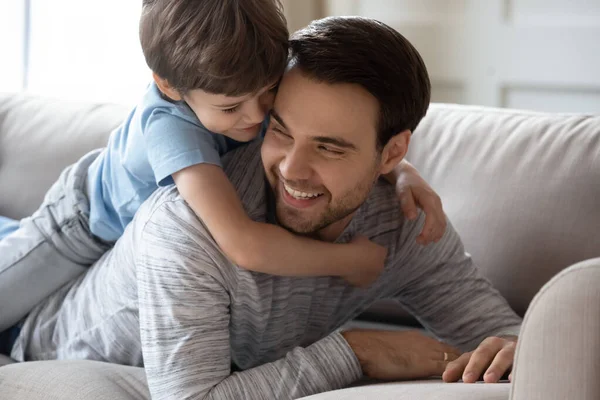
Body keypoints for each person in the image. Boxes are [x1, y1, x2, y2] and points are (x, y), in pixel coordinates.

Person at [2, 16, 522, 399]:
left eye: (329, 147)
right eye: (280, 130)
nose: (292, 169)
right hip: (31, 326)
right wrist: (357, 351)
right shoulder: (188, 222)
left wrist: (519, 348)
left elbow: (501, 333)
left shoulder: (401, 220)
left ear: (392, 152)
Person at [0, 0, 446, 333]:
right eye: (231, 108)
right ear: (170, 86)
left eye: (268, 93)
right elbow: (244, 243)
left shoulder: (243, 89)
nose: (256, 117)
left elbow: (339, 139)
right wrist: (345, 260)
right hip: (78, 228)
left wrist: (402, 171)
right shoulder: (170, 126)